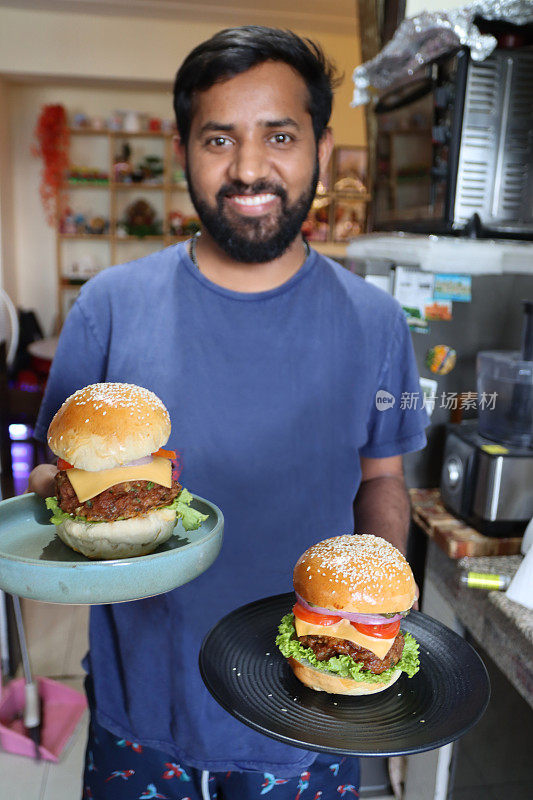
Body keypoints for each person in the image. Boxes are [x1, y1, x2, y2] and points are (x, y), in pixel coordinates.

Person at [30, 26, 428, 800]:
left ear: (319, 141)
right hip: (141, 707)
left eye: (278, 135)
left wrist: (371, 620)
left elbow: (382, 477)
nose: (249, 168)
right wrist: (67, 491)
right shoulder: (108, 305)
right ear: (184, 148)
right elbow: (53, 469)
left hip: (310, 719)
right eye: (219, 138)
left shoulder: (379, 322)